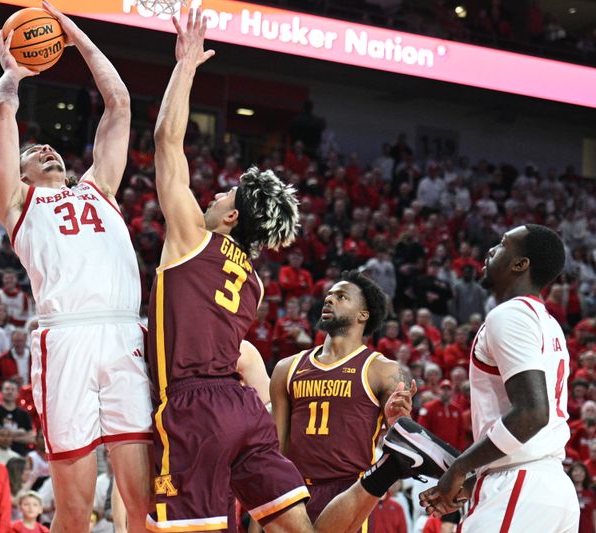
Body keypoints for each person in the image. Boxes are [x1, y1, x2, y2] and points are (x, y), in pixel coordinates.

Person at [147, 11, 425, 532]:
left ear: (231, 217)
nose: (210, 196)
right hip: (243, 411)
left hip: (193, 405)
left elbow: (167, 142)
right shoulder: (252, 277)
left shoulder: (191, 240)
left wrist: (184, 67)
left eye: (222, 196)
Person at [0, 3, 151, 530]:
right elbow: (2, 115)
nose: (49, 150)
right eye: (37, 151)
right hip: (66, 339)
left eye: (52, 147)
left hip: (126, 333)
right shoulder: (17, 204)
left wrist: (76, 38)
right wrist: (12, 76)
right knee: (77, 508)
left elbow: (119, 103)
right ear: (22, 171)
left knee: (144, 502)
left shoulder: (99, 187)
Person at [419, 225, 580, 530]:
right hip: (551, 488)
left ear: (521, 264)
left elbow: (533, 413)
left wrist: (459, 468)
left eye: (504, 244)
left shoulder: (509, 315)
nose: (491, 250)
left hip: (519, 484)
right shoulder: (549, 323)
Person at [271, 271, 415, 529]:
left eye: (341, 297)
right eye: (328, 296)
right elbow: (276, 447)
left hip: (348, 491)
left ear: (363, 315)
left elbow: (404, 440)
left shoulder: (381, 369)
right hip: (292, 491)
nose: (329, 300)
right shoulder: (287, 367)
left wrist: (398, 420)